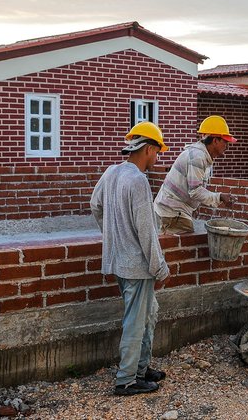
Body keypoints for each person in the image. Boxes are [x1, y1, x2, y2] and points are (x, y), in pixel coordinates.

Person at [90, 121, 171, 396]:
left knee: (148, 316)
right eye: (157, 152)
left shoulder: (111, 172)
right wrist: (159, 267)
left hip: (119, 262)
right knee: (136, 322)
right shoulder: (137, 181)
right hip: (137, 267)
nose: (157, 158)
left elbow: (95, 205)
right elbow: (147, 230)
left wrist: (111, 236)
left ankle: (140, 368)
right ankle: (126, 380)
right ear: (148, 149)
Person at [154, 115, 237, 234]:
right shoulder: (198, 157)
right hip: (171, 210)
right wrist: (220, 197)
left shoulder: (202, 156)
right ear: (215, 140)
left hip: (172, 209)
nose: (227, 146)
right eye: (225, 141)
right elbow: (195, 191)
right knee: (185, 247)